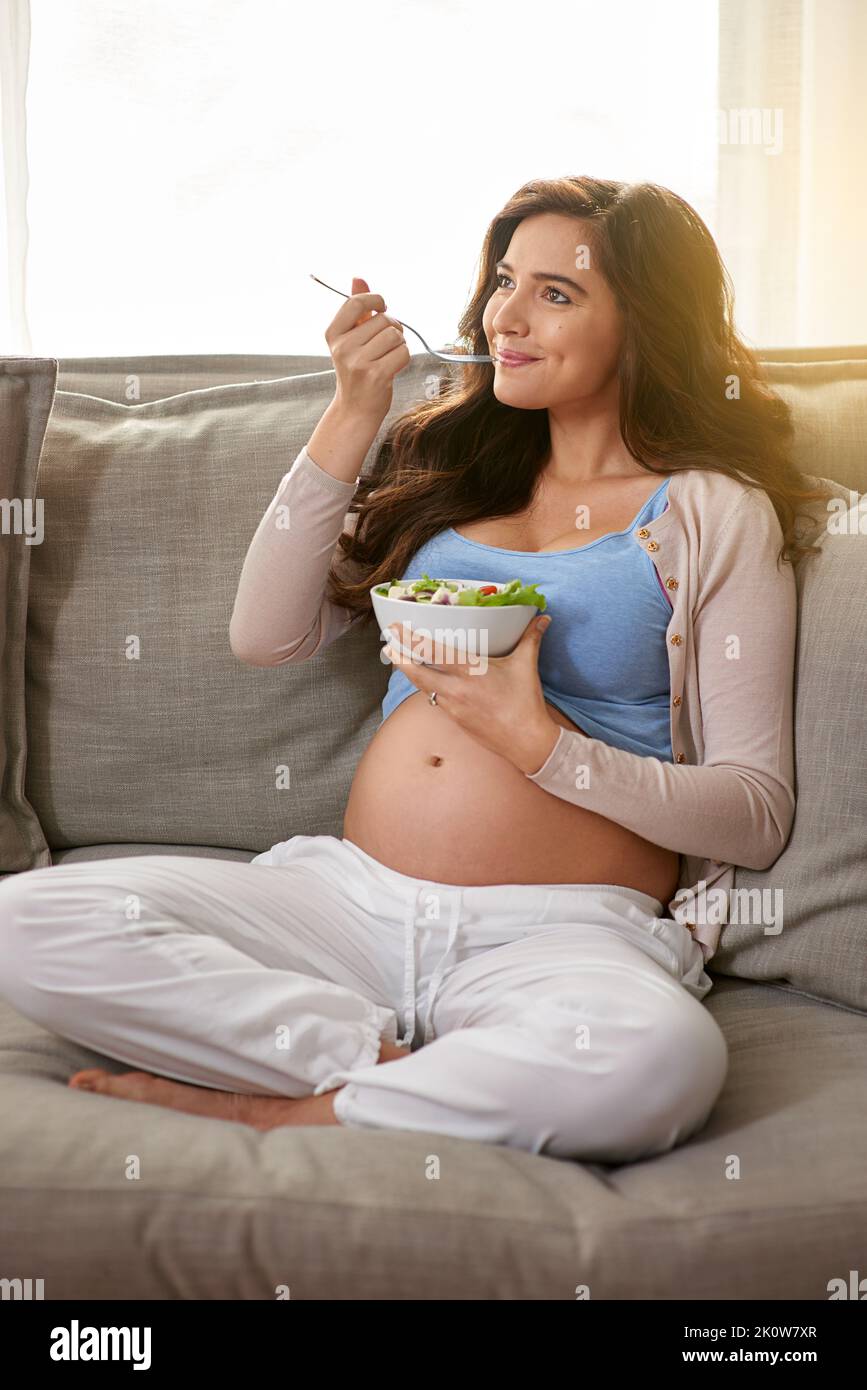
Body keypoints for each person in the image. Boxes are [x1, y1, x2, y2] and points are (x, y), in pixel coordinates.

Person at [0, 177, 829, 1162]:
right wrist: (353, 409)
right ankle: (379, 1066)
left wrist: (539, 741)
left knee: (659, 1061)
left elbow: (752, 809)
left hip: (562, 934)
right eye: (506, 281)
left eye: (557, 294)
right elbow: (264, 634)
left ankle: (286, 1105)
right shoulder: (449, 463)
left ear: (646, 323)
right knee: (26, 920)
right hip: (350, 903)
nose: (507, 315)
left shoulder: (708, 511)